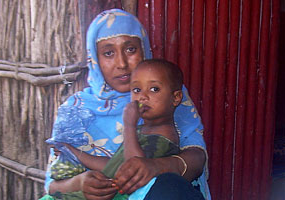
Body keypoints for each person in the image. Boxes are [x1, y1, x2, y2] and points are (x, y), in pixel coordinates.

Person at [44, 8, 211, 200]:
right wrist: (79, 183)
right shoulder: (75, 110)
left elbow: (197, 157)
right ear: (94, 59)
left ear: (144, 49)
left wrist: (158, 166)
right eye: (108, 53)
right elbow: (52, 182)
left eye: (130, 49)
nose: (122, 63)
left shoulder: (170, 95)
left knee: (168, 188)